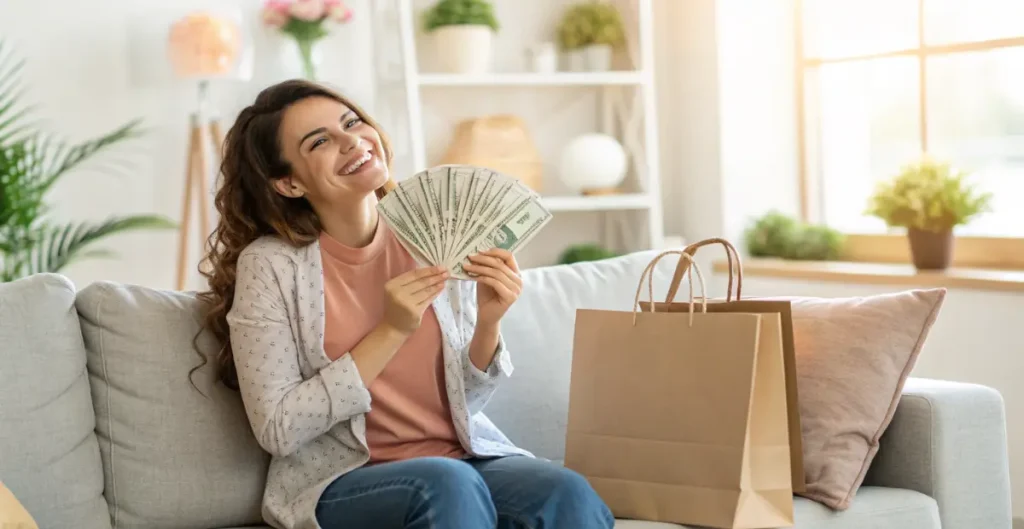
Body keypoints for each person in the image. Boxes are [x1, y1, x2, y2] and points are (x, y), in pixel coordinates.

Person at [196, 79, 615, 529]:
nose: (352, 141)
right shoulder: (272, 266)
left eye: (351, 122)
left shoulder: (431, 234)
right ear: (289, 182)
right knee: (446, 484)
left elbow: (465, 404)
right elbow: (278, 428)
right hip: (345, 481)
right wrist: (391, 331)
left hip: (460, 460)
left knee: (564, 490)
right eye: (320, 141)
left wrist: (488, 324)